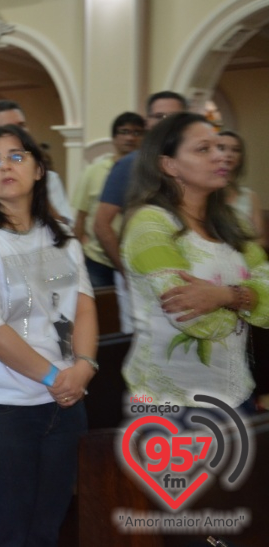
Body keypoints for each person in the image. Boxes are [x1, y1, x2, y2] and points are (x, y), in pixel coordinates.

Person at [0, 124, 97, 546]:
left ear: (38, 170)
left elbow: (83, 305)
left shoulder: (61, 237)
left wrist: (84, 367)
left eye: (16, 156)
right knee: (6, 534)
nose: (3, 167)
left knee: (46, 530)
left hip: (64, 406)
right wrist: (57, 378)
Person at [120, 113, 269, 408]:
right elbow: (197, 319)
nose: (221, 156)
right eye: (204, 149)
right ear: (169, 164)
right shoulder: (149, 225)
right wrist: (251, 299)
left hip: (235, 390)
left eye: (221, 147)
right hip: (172, 400)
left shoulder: (233, 222)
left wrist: (224, 295)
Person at [93, 91, 187, 333]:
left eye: (173, 115)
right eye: (159, 116)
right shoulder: (129, 165)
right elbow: (102, 224)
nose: (165, 121)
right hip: (141, 275)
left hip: (187, 272)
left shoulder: (193, 164)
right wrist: (126, 269)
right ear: (148, 123)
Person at [70, 112, 145, 287]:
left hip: (138, 259)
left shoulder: (148, 175)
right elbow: (81, 217)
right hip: (98, 260)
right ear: (114, 137)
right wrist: (76, 258)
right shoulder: (93, 171)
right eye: (124, 132)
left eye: (136, 132)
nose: (130, 138)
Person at [218, 130, 265, 248]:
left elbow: (261, 239)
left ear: (241, 158)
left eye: (235, 150)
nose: (229, 154)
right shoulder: (203, 193)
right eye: (221, 148)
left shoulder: (250, 196)